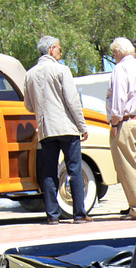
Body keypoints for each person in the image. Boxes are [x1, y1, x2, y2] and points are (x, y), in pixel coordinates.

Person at [24, 35, 92, 224]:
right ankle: (79, 213)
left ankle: (52, 215)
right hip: (66, 127)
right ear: (51, 49)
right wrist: (82, 126)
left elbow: (28, 105)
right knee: (74, 169)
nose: (61, 53)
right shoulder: (61, 70)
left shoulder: (30, 74)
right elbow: (72, 100)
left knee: (49, 171)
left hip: (46, 129)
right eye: (59, 49)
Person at [106, 36, 136, 220]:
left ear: (118, 52)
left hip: (126, 121)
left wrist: (115, 122)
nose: (113, 56)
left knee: (127, 166)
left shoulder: (121, 68)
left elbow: (119, 97)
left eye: (113, 53)